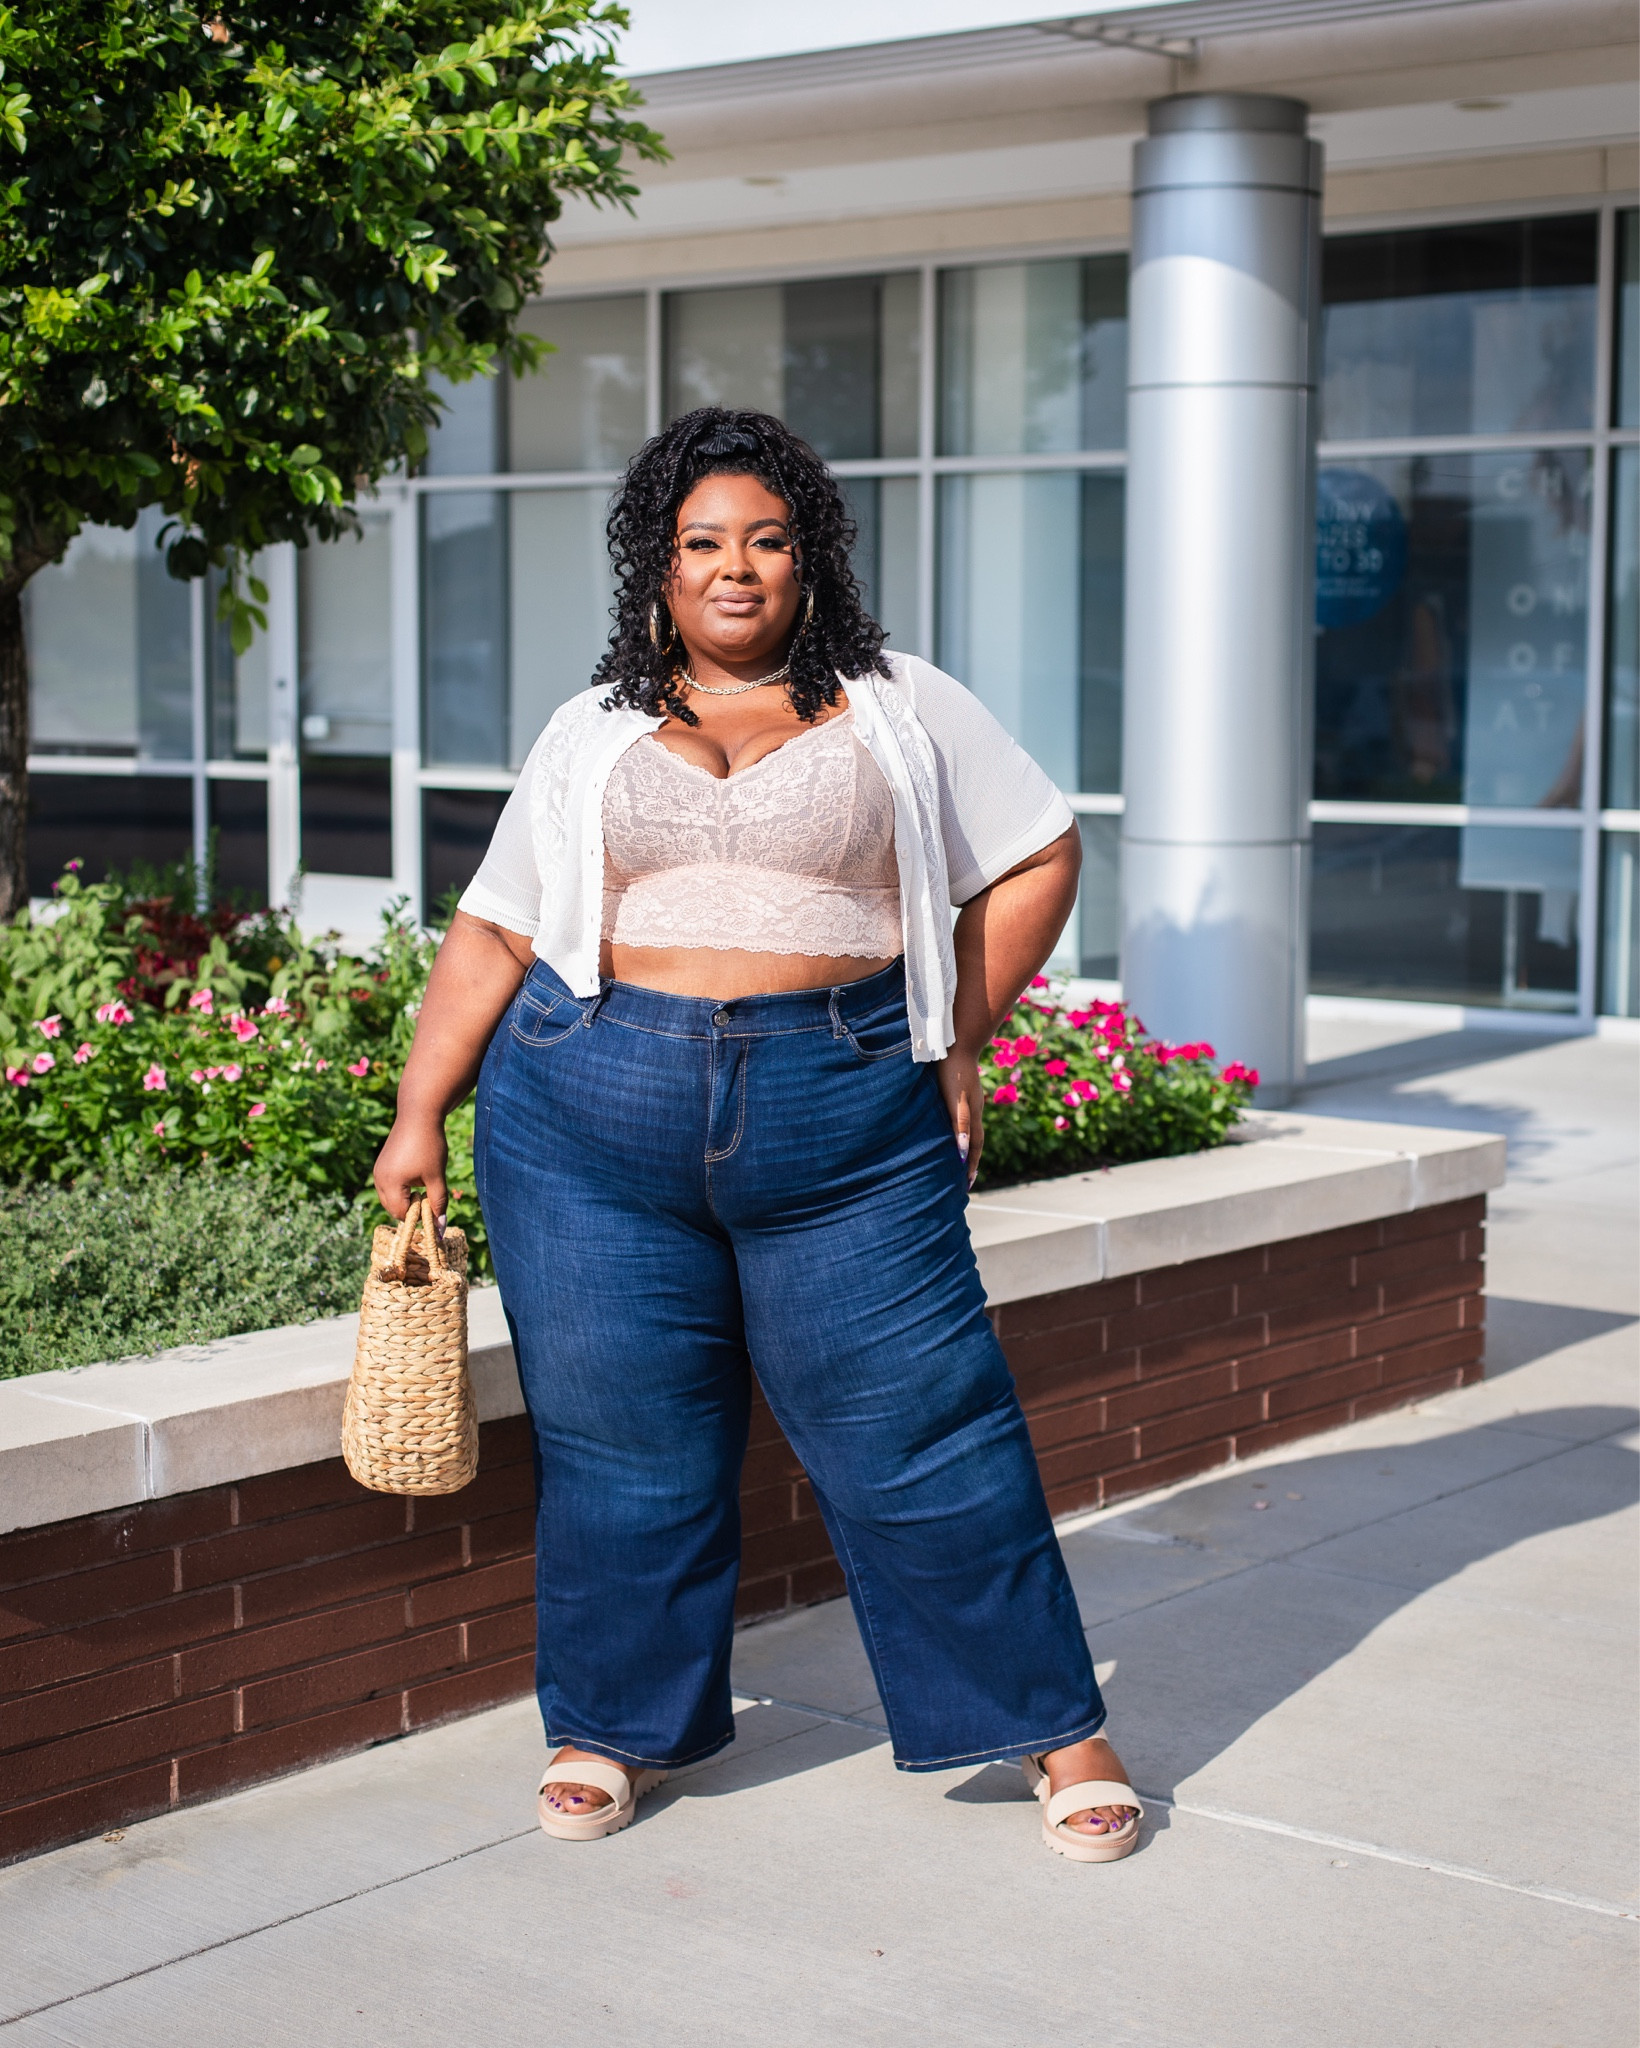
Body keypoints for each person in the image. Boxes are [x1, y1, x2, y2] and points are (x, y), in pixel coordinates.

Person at [373, 407, 1143, 1864]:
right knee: (621, 1446)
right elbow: (495, 923)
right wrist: (421, 1113)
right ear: (656, 569)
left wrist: (956, 1030)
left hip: (843, 1117)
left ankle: (1054, 1726)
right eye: (703, 544)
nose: (738, 570)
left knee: (928, 1430)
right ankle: (613, 1726)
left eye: (768, 540)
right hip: (585, 1114)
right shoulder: (591, 729)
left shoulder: (898, 703)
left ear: (812, 556)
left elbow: (1040, 851)